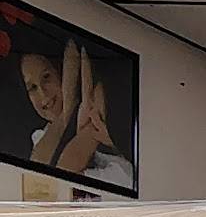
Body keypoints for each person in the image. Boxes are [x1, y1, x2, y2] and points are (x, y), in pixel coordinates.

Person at [18, 39, 133, 190]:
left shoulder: (123, 169)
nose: (42, 93)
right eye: (32, 87)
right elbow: (37, 180)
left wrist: (84, 123)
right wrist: (67, 110)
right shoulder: (42, 136)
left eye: (46, 77)